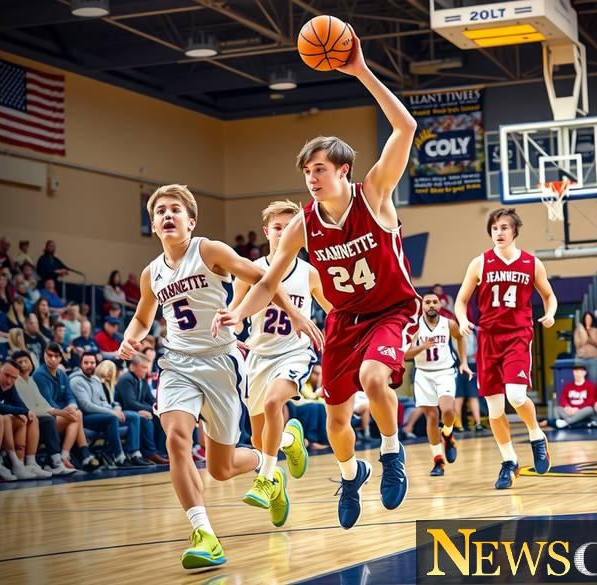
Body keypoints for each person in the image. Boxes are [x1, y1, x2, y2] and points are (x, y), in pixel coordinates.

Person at [213, 30, 419, 529]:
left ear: (344, 170)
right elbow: (268, 280)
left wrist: (360, 71)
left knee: (375, 378)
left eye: (320, 168)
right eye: (307, 170)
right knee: (335, 421)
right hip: (345, 320)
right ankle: (352, 474)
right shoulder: (304, 222)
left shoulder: (374, 194)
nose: (311, 176)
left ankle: (392, 455)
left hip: (391, 310)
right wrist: (237, 312)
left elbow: (406, 126)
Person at [119, 184, 321, 569]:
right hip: (177, 362)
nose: (167, 215)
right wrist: (131, 339)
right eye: (160, 211)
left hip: (221, 362)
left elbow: (263, 279)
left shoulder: (208, 250)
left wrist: (296, 314)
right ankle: (204, 534)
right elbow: (144, 316)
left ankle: (270, 469)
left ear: (191, 221)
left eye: (175, 209)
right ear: (154, 225)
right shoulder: (151, 274)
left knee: (221, 469)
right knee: (177, 439)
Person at [230, 200, 329, 520]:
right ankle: (289, 442)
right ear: (266, 232)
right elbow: (235, 309)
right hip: (258, 355)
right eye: (277, 227)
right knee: (261, 440)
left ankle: (265, 479)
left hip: (296, 351)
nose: (284, 232)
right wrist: (230, 326)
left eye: (290, 228)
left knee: (274, 404)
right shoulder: (250, 268)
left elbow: (334, 310)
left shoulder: (310, 273)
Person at [454, 208, 557, 489]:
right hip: (488, 338)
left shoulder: (532, 263)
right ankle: (509, 462)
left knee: (515, 395)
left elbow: (549, 295)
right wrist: (462, 320)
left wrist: (550, 314)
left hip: (517, 335)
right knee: (495, 410)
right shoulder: (480, 263)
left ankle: (536, 435)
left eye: (504, 227)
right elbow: (461, 300)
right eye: (494, 228)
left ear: (514, 231)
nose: (498, 232)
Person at [403, 293, 471, 476]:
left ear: (440, 305)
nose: (431, 305)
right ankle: (438, 461)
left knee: (448, 411)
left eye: (434, 302)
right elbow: (404, 354)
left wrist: (463, 362)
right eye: (427, 302)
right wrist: (421, 347)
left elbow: (460, 338)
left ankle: (447, 433)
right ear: (422, 305)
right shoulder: (414, 327)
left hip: (445, 372)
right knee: (432, 417)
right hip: (423, 374)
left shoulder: (449, 323)